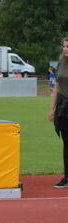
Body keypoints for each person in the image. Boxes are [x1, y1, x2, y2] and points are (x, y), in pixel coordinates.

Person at [48, 38, 68, 188]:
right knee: (66, 143)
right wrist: (52, 108)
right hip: (62, 106)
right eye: (64, 46)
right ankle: (67, 177)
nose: (66, 49)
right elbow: (56, 86)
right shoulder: (60, 63)